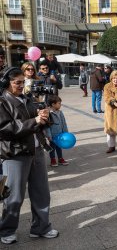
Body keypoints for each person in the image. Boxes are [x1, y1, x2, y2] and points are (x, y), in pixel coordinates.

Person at [0, 67, 59, 244]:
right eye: (16, 82)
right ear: (7, 83)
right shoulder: (3, 102)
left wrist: (44, 117)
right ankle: (6, 230)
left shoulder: (27, 98)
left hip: (36, 150)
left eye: (22, 82)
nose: (20, 85)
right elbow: (5, 129)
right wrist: (34, 121)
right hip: (15, 153)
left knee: (41, 192)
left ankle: (41, 227)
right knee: (14, 196)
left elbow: (38, 123)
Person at [45, 95, 69, 167]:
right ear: (53, 104)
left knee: (59, 147)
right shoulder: (48, 113)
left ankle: (60, 158)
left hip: (60, 134)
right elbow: (47, 126)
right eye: (59, 103)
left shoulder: (60, 112)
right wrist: (49, 136)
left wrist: (65, 132)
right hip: (52, 135)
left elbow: (63, 122)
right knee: (52, 148)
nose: (60, 105)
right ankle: (53, 160)